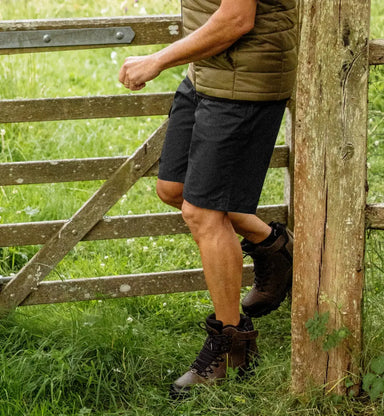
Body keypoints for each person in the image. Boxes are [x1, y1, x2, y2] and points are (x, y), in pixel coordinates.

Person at [119, 0, 297, 398]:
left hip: (244, 80)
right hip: (207, 73)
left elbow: (236, 18)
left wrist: (157, 60)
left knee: (202, 212)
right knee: (175, 188)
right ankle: (273, 246)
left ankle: (231, 345)